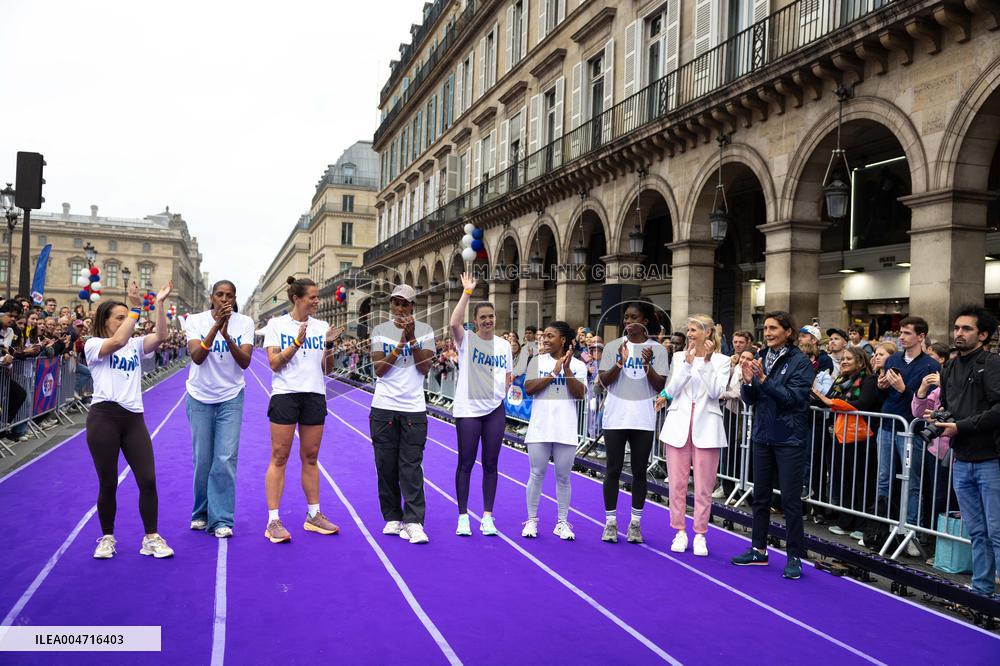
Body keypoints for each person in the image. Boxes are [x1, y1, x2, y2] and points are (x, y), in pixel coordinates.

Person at [87, 280, 176, 560]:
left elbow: (161, 336)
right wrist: (136, 310)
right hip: (104, 417)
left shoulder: (136, 345)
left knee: (147, 479)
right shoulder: (94, 344)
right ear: (105, 321)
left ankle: (151, 537)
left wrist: (159, 305)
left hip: (133, 418)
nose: (127, 322)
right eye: (120, 318)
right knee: (108, 482)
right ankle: (107, 537)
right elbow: (117, 341)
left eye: (128, 317)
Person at [731, 311, 815, 580]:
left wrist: (765, 380)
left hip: (790, 437)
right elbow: (751, 399)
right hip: (762, 434)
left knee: (790, 500)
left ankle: (794, 557)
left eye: (773, 328)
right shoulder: (762, 358)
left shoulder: (800, 362)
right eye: (765, 328)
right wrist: (747, 382)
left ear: (788, 332)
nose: (767, 333)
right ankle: (758, 549)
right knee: (760, 497)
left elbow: (794, 399)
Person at [262, 277, 344, 544]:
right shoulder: (276, 325)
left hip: (314, 395)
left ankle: (313, 515)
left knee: (311, 457)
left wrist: (329, 345)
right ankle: (273, 520)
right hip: (286, 395)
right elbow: (274, 363)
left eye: (317, 297)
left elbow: (327, 369)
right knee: (279, 456)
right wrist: (296, 343)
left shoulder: (321, 327)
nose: (317, 301)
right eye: (312, 297)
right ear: (297, 298)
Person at [930, 306, 1000, 597]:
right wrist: (938, 418)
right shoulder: (949, 367)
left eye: (967, 329)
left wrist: (961, 425)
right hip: (962, 458)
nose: (959, 333)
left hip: (991, 459)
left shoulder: (993, 363)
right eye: (957, 328)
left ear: (983, 335)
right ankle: (982, 591)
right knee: (977, 532)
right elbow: (949, 406)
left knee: (997, 532)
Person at [184, 280, 255, 538]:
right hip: (200, 395)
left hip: (231, 396)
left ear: (235, 299)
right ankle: (200, 513)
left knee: (224, 459)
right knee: (203, 459)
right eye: (220, 295)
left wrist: (227, 335)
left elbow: (245, 362)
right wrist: (216, 326)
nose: (224, 299)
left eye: (229, 296)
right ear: (211, 297)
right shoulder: (194, 320)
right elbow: (197, 357)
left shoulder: (244, 323)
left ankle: (222, 518)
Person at [657, 315, 730, 555]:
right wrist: (687, 366)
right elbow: (674, 389)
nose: (689, 334)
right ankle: (679, 531)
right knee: (676, 485)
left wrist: (707, 363)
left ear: (708, 333)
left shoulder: (722, 361)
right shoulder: (679, 357)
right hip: (678, 426)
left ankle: (700, 534)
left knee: (703, 487)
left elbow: (716, 392)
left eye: (694, 330)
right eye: (688, 330)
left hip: (707, 428)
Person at [370, 284, 436, 544]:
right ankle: (392, 517)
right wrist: (399, 344)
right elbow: (379, 369)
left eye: (404, 304)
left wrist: (411, 339)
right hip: (384, 406)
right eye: (395, 303)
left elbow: (424, 368)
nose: (399, 308)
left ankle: (414, 521)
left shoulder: (426, 331)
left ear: (412, 307)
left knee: (410, 467)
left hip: (413, 409)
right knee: (385, 466)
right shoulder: (379, 331)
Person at [597, 301, 667, 544]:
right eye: (625, 317)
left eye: (633, 317)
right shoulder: (613, 346)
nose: (628, 321)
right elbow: (603, 382)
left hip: (643, 418)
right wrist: (619, 362)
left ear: (645, 321)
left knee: (639, 472)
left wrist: (647, 365)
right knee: (613, 470)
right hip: (615, 417)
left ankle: (635, 523)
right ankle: (610, 522)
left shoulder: (657, 350)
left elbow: (661, 386)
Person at [449, 272, 512, 537]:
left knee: (491, 464)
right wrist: (467, 292)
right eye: (483, 317)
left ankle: (487, 516)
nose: (488, 320)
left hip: (495, 410)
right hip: (469, 410)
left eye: (491, 316)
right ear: (475, 322)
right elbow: (453, 323)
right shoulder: (467, 341)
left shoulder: (504, 346)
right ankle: (463, 517)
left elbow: (508, 376)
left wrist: (500, 391)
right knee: (466, 463)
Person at [875, 316, 939, 554]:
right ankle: (880, 528)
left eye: (907, 333)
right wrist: (881, 388)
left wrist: (904, 390)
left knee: (911, 482)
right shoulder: (893, 359)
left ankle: (910, 530)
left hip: (911, 430)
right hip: (888, 424)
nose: (901, 337)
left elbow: (928, 404)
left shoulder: (931, 366)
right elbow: (884, 396)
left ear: (921, 337)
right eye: (900, 333)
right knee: (884, 478)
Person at [521, 320, 587, 540]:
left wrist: (566, 370)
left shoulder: (578, 365)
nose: (545, 339)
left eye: (550, 336)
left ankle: (562, 522)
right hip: (540, 427)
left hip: (565, 428)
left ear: (563, 340)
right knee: (536, 474)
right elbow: (529, 388)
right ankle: (531, 520)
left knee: (563, 477)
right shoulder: (536, 361)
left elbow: (580, 394)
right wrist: (552, 373)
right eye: (544, 336)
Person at [813, 347, 880, 538]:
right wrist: (815, 395)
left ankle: (861, 525)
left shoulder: (868, 380)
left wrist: (835, 403)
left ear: (860, 361)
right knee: (844, 479)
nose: (843, 361)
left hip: (862, 437)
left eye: (848, 358)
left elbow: (864, 404)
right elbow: (826, 401)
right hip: (841, 435)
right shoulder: (841, 380)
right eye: (842, 359)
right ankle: (846, 521)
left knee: (862, 480)